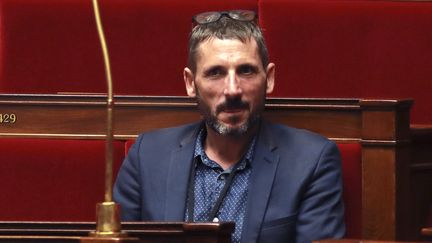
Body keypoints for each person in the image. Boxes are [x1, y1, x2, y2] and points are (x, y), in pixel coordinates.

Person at [113, 10, 345, 243]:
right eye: (215, 73)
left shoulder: (312, 160)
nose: (232, 90)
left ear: (269, 78)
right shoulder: (147, 155)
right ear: (191, 83)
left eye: (246, 71)